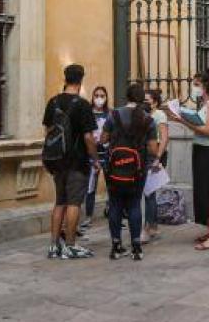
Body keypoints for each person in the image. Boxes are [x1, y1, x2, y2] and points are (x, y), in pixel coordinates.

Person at [42, 64, 99, 259]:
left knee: (60, 202)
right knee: (74, 203)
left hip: (56, 161)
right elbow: (89, 138)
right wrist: (95, 159)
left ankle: (53, 245)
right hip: (77, 161)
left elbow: (47, 132)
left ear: (65, 78)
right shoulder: (82, 105)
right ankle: (71, 245)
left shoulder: (53, 102)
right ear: (81, 80)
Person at [166, 70, 209, 251]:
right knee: (205, 191)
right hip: (203, 150)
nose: (194, 88)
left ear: (206, 85)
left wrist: (182, 121)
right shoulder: (206, 103)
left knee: (208, 192)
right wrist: (181, 117)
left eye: (197, 84)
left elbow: (207, 130)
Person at [103, 83, 160, 261]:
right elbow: (152, 148)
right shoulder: (148, 119)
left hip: (114, 168)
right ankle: (136, 247)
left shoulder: (114, 114)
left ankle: (116, 246)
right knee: (135, 204)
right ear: (142, 98)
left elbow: (103, 138)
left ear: (127, 97)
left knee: (115, 205)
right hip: (138, 169)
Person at [142, 88, 170, 242]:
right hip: (145, 153)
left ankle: (150, 227)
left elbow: (165, 137)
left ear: (155, 101)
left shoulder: (159, 115)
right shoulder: (142, 114)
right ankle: (152, 226)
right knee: (148, 192)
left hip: (155, 153)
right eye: (143, 99)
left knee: (149, 192)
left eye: (148, 99)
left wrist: (157, 157)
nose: (146, 101)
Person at [82, 85, 111, 232]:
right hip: (91, 156)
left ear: (106, 98)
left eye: (102, 96)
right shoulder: (87, 113)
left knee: (111, 186)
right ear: (92, 97)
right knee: (90, 187)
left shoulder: (110, 114)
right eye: (96, 95)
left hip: (107, 154)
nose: (99, 98)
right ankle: (88, 216)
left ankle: (112, 213)